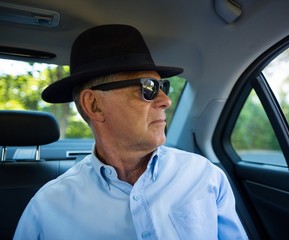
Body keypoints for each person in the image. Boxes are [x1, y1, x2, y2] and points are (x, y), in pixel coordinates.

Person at [14, 24, 248, 240]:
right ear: (94, 105)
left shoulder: (205, 176)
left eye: (162, 87)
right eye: (148, 87)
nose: (166, 100)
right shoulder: (47, 209)